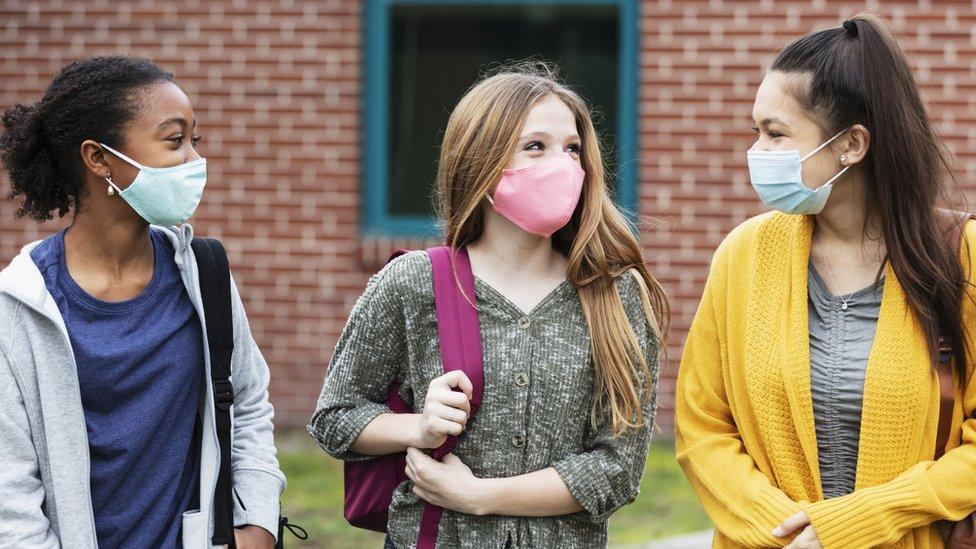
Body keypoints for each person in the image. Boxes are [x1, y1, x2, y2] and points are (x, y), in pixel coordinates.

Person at [309, 62, 668, 549]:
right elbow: (334, 417)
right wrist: (420, 425)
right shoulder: (412, 283)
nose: (562, 164)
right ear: (482, 159)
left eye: (573, 149)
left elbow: (616, 469)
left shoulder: (615, 294)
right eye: (535, 146)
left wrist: (479, 496)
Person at [676, 14, 976, 549]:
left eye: (776, 133)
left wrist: (852, 524)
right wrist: (787, 533)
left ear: (852, 145)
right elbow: (703, 431)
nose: (757, 153)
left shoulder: (961, 255)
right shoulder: (741, 256)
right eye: (756, 132)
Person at [0, 56, 285, 548]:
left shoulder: (204, 274)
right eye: (175, 141)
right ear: (99, 158)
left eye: (195, 140)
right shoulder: (19, 308)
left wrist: (256, 525)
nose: (195, 161)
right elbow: (11, 493)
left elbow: (249, 405)